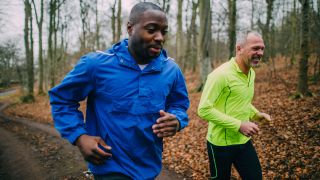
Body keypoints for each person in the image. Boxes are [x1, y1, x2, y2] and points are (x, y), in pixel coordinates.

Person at [49, 2, 189, 179]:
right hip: (109, 166)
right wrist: (80, 136)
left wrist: (176, 120)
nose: (160, 37)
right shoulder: (96, 65)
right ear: (130, 28)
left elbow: (179, 104)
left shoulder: (171, 69)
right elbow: (62, 99)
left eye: (164, 31)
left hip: (149, 168)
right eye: (151, 29)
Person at [198, 31, 271, 179]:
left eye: (262, 48)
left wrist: (256, 114)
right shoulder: (220, 75)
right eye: (255, 48)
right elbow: (204, 110)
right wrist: (239, 125)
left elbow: (241, 101)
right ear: (239, 49)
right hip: (220, 144)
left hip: (243, 141)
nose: (260, 53)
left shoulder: (251, 73)